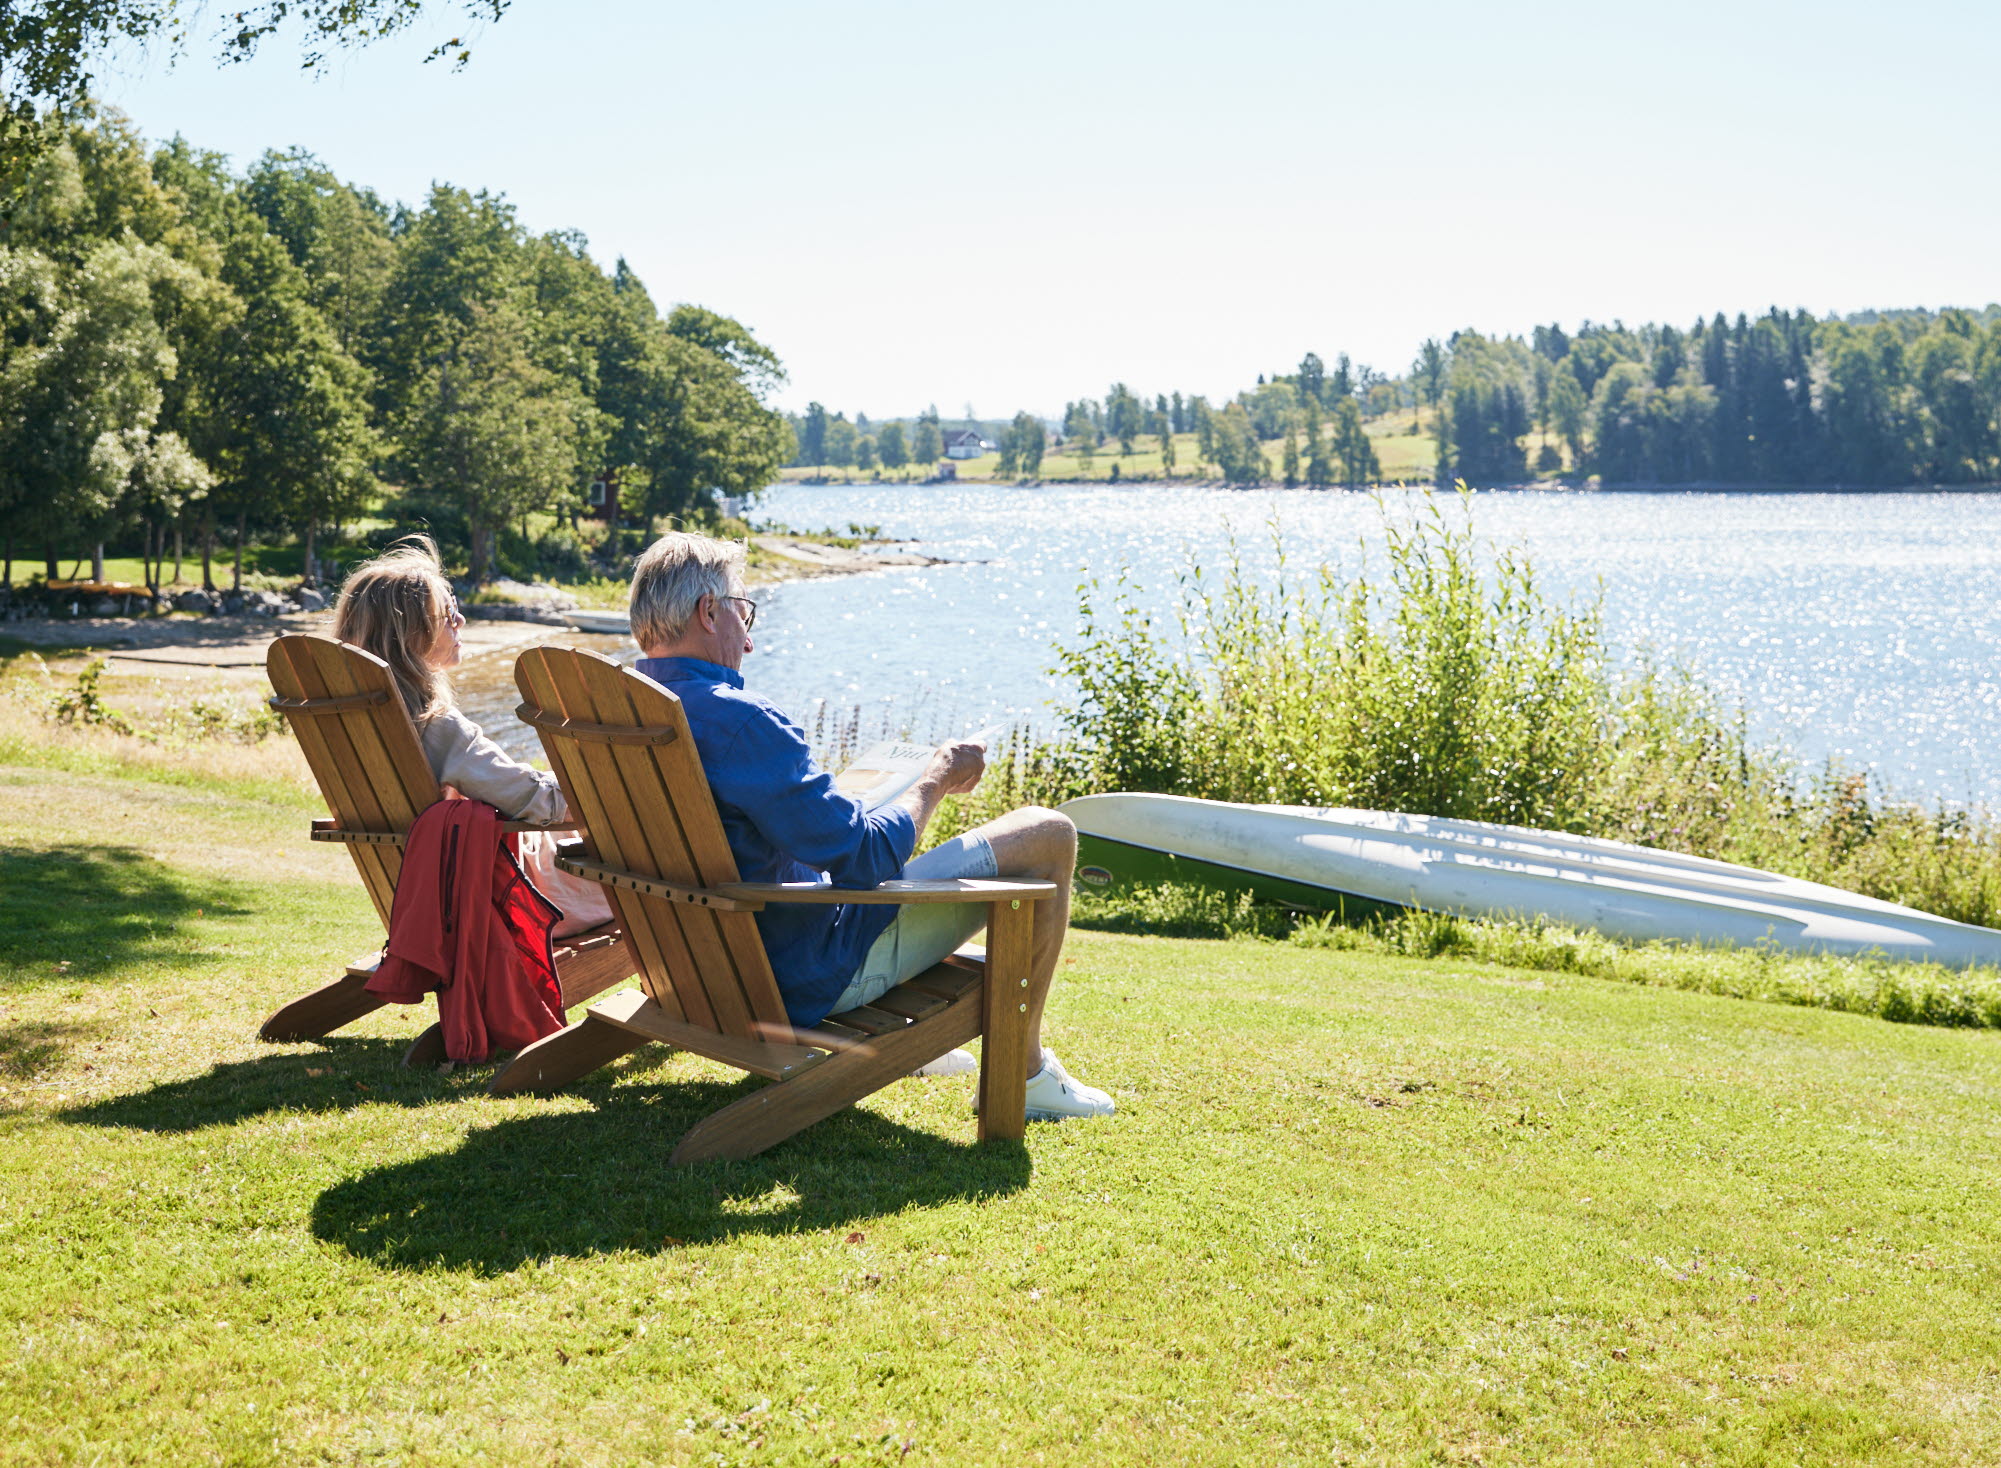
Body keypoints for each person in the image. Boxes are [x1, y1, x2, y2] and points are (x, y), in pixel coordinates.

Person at [628, 530, 1113, 1123]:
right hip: (801, 973)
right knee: (1048, 831)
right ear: (709, 611)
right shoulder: (737, 722)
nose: (749, 640)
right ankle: (1028, 1073)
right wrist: (935, 777)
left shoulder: (625, 712)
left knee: (892, 829)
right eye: (742, 610)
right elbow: (866, 855)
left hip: (691, 967)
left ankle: (933, 1050)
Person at [330, 536, 614, 937]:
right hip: (513, 900)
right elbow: (542, 803)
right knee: (640, 883)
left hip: (427, 897)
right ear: (411, 634)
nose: (460, 622)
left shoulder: (358, 723)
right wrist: (604, 779)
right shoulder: (436, 728)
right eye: (448, 614)